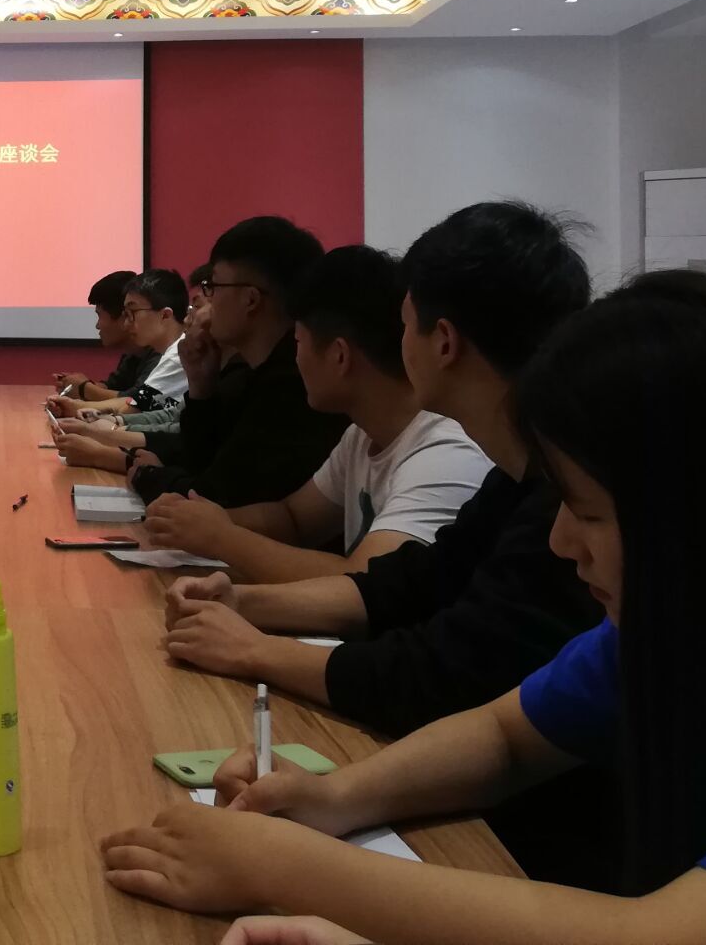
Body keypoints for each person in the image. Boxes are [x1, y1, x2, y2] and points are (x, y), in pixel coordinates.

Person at [100, 272, 706, 945]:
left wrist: (280, 866)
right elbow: (506, 736)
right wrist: (333, 797)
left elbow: (660, 935)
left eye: (590, 514)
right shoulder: (659, 631)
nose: (562, 542)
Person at [161, 202, 605, 884]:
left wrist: (254, 647)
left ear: (442, 340)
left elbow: (441, 671)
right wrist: (245, 603)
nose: (569, 538)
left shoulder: (516, 477)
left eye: (404, 324)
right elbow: (411, 581)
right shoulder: (517, 477)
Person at [145, 246, 488, 582]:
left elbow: (368, 583)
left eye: (298, 342)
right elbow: (293, 518)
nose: (295, 359)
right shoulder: (363, 433)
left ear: (339, 356)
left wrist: (221, 536)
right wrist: (197, 520)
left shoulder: (445, 452)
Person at [65, 218, 344, 508]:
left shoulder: (288, 384)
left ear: (250, 300)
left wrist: (142, 469)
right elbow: (201, 455)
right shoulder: (243, 370)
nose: (199, 310)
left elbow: (217, 494)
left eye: (212, 288)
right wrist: (200, 388)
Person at [66, 269, 189, 416]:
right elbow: (135, 401)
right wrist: (77, 405)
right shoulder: (170, 352)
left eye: (133, 312)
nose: (126, 324)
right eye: (126, 314)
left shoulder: (178, 355)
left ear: (165, 315)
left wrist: (79, 404)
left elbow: (132, 409)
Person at [54, 271, 150, 402]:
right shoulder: (133, 354)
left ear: (124, 316)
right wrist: (75, 385)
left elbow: (138, 402)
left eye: (99, 315)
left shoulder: (162, 355)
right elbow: (113, 387)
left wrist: (84, 388)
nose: (97, 326)